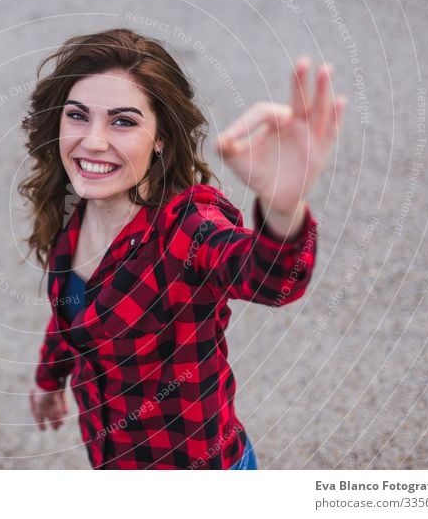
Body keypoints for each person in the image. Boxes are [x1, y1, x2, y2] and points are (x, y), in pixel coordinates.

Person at [20, 28, 345, 469]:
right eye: (78, 115)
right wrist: (49, 376)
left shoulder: (187, 228)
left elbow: (270, 279)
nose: (93, 140)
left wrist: (282, 207)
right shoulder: (75, 209)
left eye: (123, 121)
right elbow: (74, 313)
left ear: (161, 138)